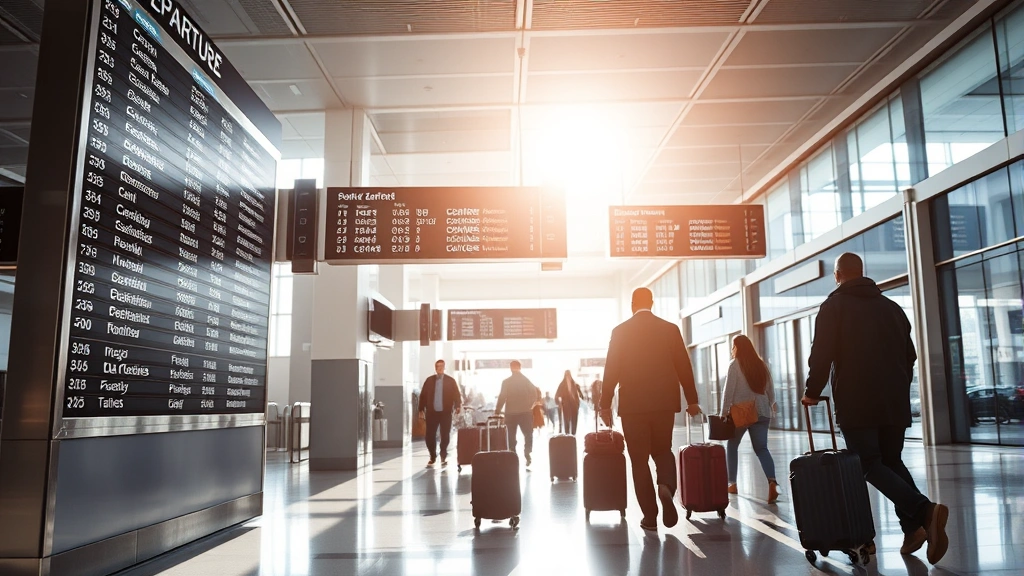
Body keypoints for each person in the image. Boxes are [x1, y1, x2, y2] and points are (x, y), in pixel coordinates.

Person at [802, 253, 949, 564]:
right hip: (893, 399)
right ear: (863, 272)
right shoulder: (892, 308)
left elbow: (822, 352)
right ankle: (914, 528)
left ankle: (925, 511)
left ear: (838, 275)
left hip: (857, 400)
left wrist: (812, 392)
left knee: (868, 463)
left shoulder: (834, 306)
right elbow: (910, 355)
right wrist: (896, 385)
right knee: (891, 460)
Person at [600, 287, 700, 532]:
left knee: (638, 460)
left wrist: (604, 404)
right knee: (663, 450)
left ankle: (649, 516)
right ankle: (665, 485)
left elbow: (610, 369)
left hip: (633, 406)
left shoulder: (620, 331)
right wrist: (692, 400)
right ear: (652, 303)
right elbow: (684, 366)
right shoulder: (669, 329)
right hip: (664, 403)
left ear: (632, 304)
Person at [719, 334, 778, 503]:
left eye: (733, 346)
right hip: (762, 411)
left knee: (732, 445)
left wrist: (723, 413)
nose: (732, 349)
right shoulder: (761, 365)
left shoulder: (734, 365)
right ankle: (772, 481)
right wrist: (770, 405)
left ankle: (732, 483)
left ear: (737, 347)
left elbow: (728, 392)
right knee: (762, 449)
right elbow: (771, 392)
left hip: (742, 413)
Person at [495, 360, 541, 467]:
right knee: (528, 434)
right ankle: (527, 452)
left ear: (510, 368)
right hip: (525, 412)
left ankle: (513, 454)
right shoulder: (526, 380)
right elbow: (535, 392)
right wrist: (530, 405)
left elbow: (502, 396)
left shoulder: (506, 382)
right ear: (520, 368)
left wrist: (497, 410)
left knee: (511, 434)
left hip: (511, 413)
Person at [417, 359, 462, 468]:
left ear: (444, 367)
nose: (440, 368)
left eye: (442, 366)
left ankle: (443, 454)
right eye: (438, 366)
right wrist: (421, 409)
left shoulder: (450, 381)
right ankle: (432, 456)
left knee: (445, 434)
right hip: (432, 412)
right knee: (429, 435)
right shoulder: (429, 381)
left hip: (445, 412)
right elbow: (423, 395)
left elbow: (456, 394)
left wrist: (457, 405)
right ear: (435, 368)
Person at [555, 370, 585, 435]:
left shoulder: (575, 384)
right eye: (566, 374)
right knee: (566, 420)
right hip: (566, 405)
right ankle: (567, 434)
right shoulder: (562, 385)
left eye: (569, 374)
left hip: (574, 405)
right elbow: (557, 395)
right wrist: (559, 403)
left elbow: (581, 395)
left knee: (574, 420)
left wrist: (579, 400)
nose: (568, 376)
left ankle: (573, 434)